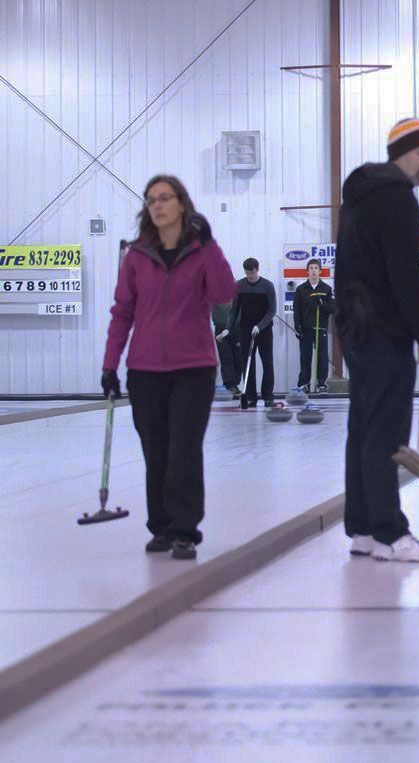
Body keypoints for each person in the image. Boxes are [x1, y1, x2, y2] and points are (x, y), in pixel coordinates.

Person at [102, 175, 236, 560]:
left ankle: (184, 530)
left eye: (164, 198)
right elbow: (122, 312)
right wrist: (110, 366)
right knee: (156, 451)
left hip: (193, 368)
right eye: (151, 200)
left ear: (181, 203)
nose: (158, 205)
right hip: (144, 370)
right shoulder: (137, 256)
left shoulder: (201, 251)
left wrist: (209, 244)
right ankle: (161, 527)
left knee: (184, 450)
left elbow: (224, 293)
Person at [334, 118, 419, 563]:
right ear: (400, 152)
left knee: (363, 428)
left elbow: (378, 251)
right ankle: (389, 533)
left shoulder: (363, 193)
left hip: (356, 326)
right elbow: (403, 276)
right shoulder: (398, 197)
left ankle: (362, 529)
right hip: (384, 328)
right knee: (385, 434)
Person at [225, 257, 277, 409]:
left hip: (264, 330)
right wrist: (228, 328)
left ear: (257, 270)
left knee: (267, 362)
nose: (249, 276)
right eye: (247, 273)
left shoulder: (267, 286)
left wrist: (260, 326)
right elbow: (234, 310)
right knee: (248, 363)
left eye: (252, 273)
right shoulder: (239, 286)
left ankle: (268, 396)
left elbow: (272, 310)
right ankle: (250, 397)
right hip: (246, 330)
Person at [294, 258, 335, 393]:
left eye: (316, 268)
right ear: (307, 271)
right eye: (311, 268)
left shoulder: (326, 289)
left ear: (320, 271)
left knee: (322, 357)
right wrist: (297, 325)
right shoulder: (301, 289)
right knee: (305, 357)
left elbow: (333, 309)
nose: (313, 271)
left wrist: (322, 304)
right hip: (305, 329)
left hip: (321, 328)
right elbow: (297, 309)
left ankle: (321, 383)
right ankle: (304, 383)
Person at [211, 298, 241, 398]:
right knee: (226, 358)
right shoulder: (214, 293)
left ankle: (235, 383)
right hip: (221, 328)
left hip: (237, 328)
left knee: (239, 358)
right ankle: (231, 385)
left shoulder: (238, 291)